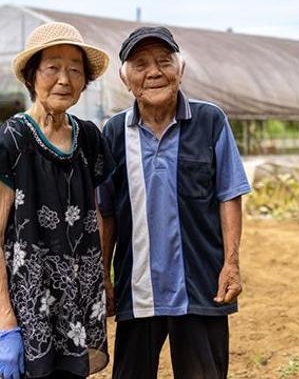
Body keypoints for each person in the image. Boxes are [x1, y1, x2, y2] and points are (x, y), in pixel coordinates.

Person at [98, 26, 252, 379]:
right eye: (140, 64)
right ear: (125, 78)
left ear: (180, 70)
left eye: (163, 62)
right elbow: (105, 211)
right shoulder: (113, 132)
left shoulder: (209, 120)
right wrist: (104, 275)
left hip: (201, 285)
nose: (153, 72)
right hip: (137, 288)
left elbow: (229, 194)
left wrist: (231, 264)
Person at [0, 22, 115, 379]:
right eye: (52, 68)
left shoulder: (90, 139)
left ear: (85, 82)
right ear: (32, 76)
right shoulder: (10, 142)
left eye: (75, 70)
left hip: (79, 300)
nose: (64, 79)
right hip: (30, 305)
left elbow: (94, 214)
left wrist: (104, 280)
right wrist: (6, 326)